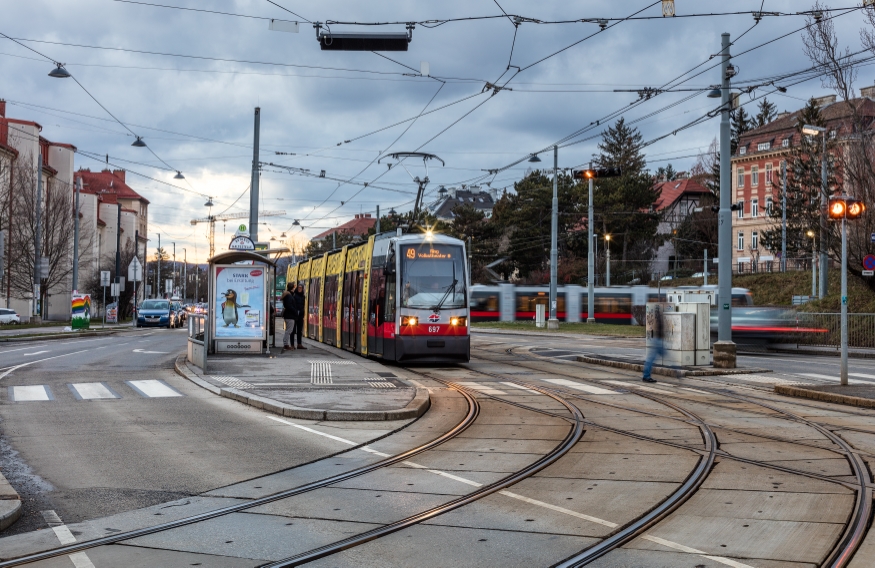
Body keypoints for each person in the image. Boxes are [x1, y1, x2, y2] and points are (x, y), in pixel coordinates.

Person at [642, 306, 664, 383]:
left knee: (650, 359)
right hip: (657, 340)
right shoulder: (657, 318)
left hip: (657, 340)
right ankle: (646, 376)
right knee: (650, 359)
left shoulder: (654, 317)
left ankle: (646, 376)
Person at [280, 283, 297, 351]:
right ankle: (286, 344)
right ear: (292, 287)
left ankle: (285, 343)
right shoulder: (289, 296)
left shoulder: (288, 295)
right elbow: (289, 305)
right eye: (294, 287)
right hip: (290, 316)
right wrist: (295, 311)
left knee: (288, 330)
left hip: (288, 315)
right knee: (289, 330)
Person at [292, 283, 307, 349]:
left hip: (300, 315)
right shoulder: (294, 295)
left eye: (301, 288)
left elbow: (303, 305)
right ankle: (292, 344)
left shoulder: (303, 296)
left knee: (299, 330)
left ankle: (299, 344)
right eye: (298, 288)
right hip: (295, 315)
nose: (299, 289)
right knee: (293, 330)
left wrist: (303, 313)